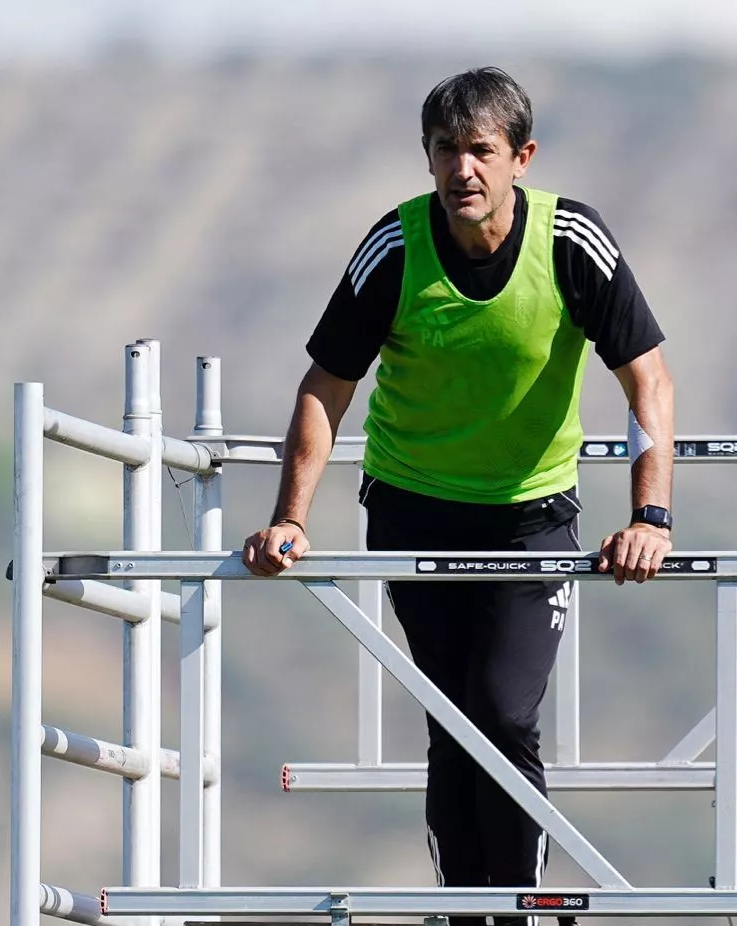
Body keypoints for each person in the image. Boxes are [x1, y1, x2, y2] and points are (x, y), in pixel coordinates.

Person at [240, 67, 676, 921]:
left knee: (503, 714)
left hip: (531, 517)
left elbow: (647, 380)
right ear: (427, 158)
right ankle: (466, 910)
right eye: (445, 150)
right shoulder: (396, 248)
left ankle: (522, 907)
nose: (462, 170)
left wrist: (649, 517)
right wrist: (290, 519)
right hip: (414, 509)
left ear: (521, 157)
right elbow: (325, 388)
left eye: (481, 150)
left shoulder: (570, 243)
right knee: (453, 723)